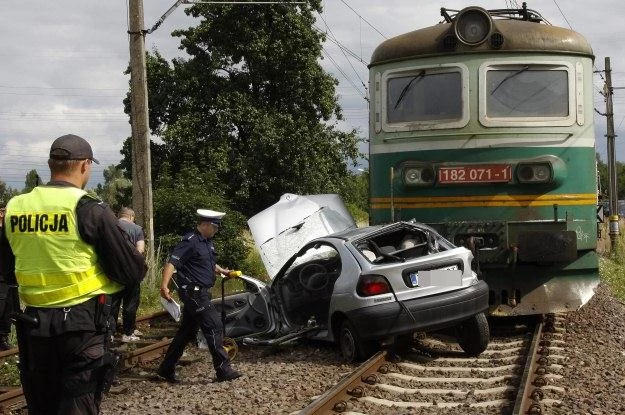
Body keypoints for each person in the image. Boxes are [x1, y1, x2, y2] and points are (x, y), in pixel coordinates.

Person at [0, 134, 146, 414]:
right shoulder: (89, 208)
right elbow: (131, 271)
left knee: (42, 403)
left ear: (50, 165)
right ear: (84, 165)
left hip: (33, 322)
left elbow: (6, 269)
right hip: (81, 323)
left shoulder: (16, 207)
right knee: (78, 401)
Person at [157, 209, 242, 383]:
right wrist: (164, 285)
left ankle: (166, 369)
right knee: (214, 325)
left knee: (186, 333)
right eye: (215, 227)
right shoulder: (190, 242)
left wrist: (223, 271)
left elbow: (208, 262)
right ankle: (223, 370)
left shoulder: (207, 243)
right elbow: (172, 263)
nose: (216, 230)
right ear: (205, 225)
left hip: (202, 292)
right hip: (193, 293)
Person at [111, 207, 145, 342]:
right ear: (132, 217)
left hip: (112, 272)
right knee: (130, 303)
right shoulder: (137, 229)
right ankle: (128, 333)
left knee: (113, 304)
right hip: (131, 272)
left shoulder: (111, 227)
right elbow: (140, 250)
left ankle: (110, 334)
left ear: (120, 216)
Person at [0, 202, 17, 351]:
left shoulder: (11, 229)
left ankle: (3, 338)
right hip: (1, 276)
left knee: (9, 310)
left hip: (10, 276)